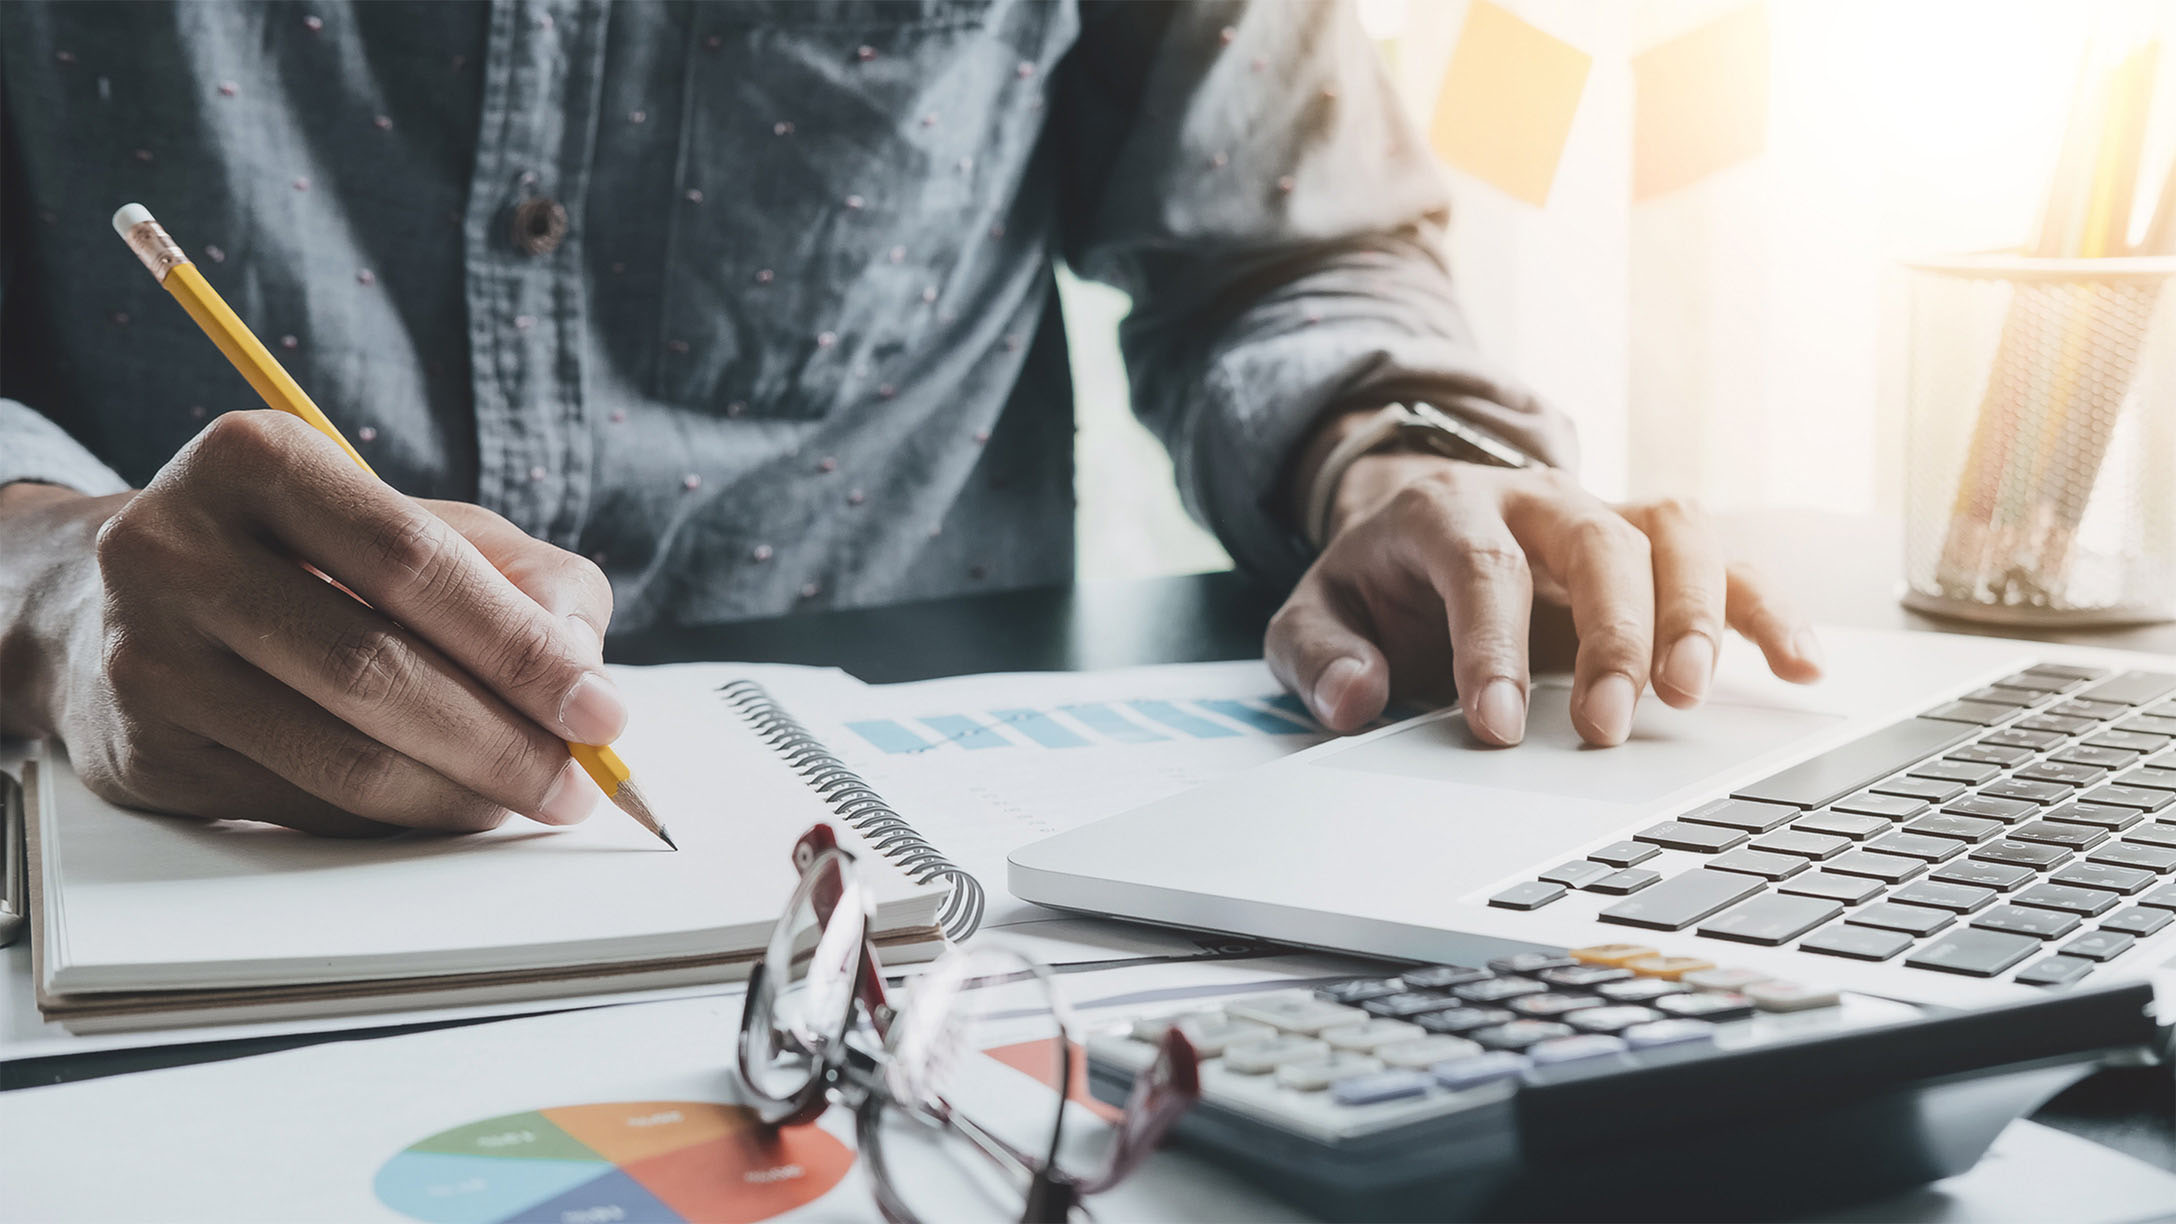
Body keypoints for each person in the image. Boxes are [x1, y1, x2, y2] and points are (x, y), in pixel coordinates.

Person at [0, 1, 1820, 838]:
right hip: (146, 840)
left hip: (941, 895)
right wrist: (50, 583)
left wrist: (1398, 451)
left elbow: (1283, 243)